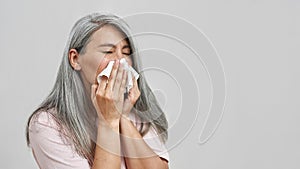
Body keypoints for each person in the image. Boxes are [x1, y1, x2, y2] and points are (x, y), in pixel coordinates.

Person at [26, 13, 169, 169]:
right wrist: (109, 121)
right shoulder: (48, 124)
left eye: (126, 53)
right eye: (108, 52)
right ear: (75, 59)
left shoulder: (136, 112)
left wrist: (121, 116)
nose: (121, 61)